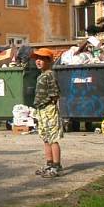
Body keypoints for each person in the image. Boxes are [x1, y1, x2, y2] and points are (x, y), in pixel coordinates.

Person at [32, 48, 63, 178]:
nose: (38, 61)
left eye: (42, 59)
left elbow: (55, 94)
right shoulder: (41, 75)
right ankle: (49, 164)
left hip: (49, 109)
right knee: (45, 138)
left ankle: (56, 166)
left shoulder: (50, 75)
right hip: (41, 109)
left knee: (53, 139)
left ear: (49, 61)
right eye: (37, 59)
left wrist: (51, 108)